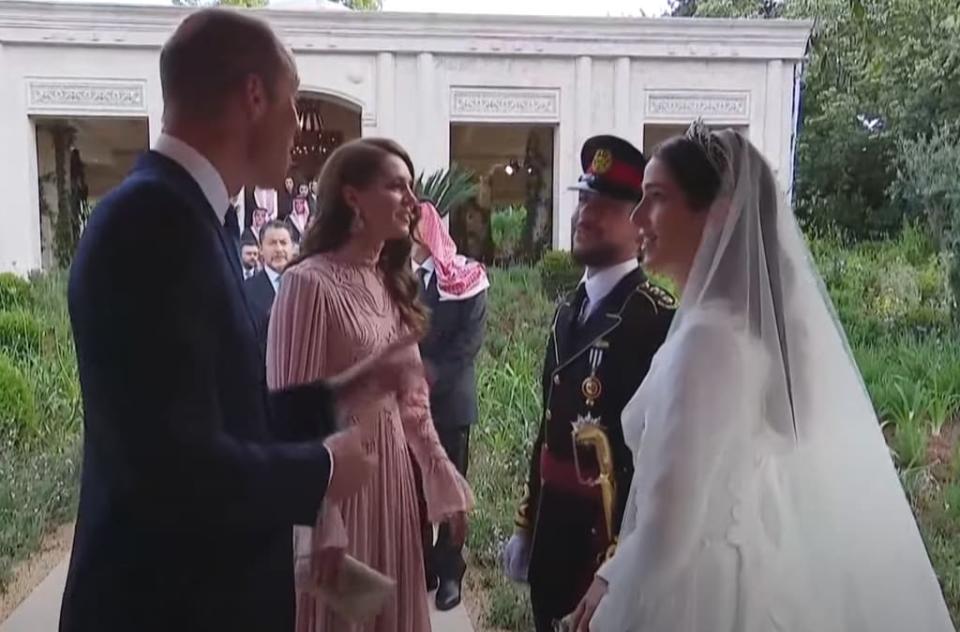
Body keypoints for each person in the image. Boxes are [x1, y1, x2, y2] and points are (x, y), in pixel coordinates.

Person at [61, 10, 414, 632]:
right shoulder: (150, 224)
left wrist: (341, 394)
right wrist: (324, 470)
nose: (299, 124)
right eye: (294, 101)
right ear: (254, 95)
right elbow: (177, 470)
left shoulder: (194, 218)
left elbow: (221, 412)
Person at [569, 124, 955, 632]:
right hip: (748, 572)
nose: (638, 216)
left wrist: (610, 594)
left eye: (656, 198)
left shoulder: (707, 342)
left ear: (717, 215)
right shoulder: (736, 331)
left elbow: (669, 530)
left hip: (695, 596)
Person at [267, 137, 474, 632]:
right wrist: (321, 516)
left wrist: (440, 473)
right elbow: (290, 417)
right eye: (396, 186)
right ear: (352, 196)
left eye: (413, 188)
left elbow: (413, 398)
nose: (412, 201)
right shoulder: (306, 284)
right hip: (336, 486)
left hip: (392, 484)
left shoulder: (389, 280)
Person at [501, 135, 675, 632]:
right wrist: (527, 524)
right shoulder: (568, 311)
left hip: (607, 549)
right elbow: (549, 425)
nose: (585, 215)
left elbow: (656, 460)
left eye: (605, 205)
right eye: (583, 199)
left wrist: (621, 562)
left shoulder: (655, 320)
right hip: (553, 539)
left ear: (639, 222)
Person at [412, 200, 488, 611]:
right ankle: (421, 563)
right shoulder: (398, 278)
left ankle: (450, 572)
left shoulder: (467, 277)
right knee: (415, 493)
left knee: (452, 493)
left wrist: (427, 376)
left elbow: (467, 344)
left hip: (449, 404)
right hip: (406, 408)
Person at [244, 219, 294, 354]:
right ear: (260, 249)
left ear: (293, 247)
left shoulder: (307, 286)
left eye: (283, 243)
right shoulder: (247, 291)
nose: (278, 249)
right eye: (272, 243)